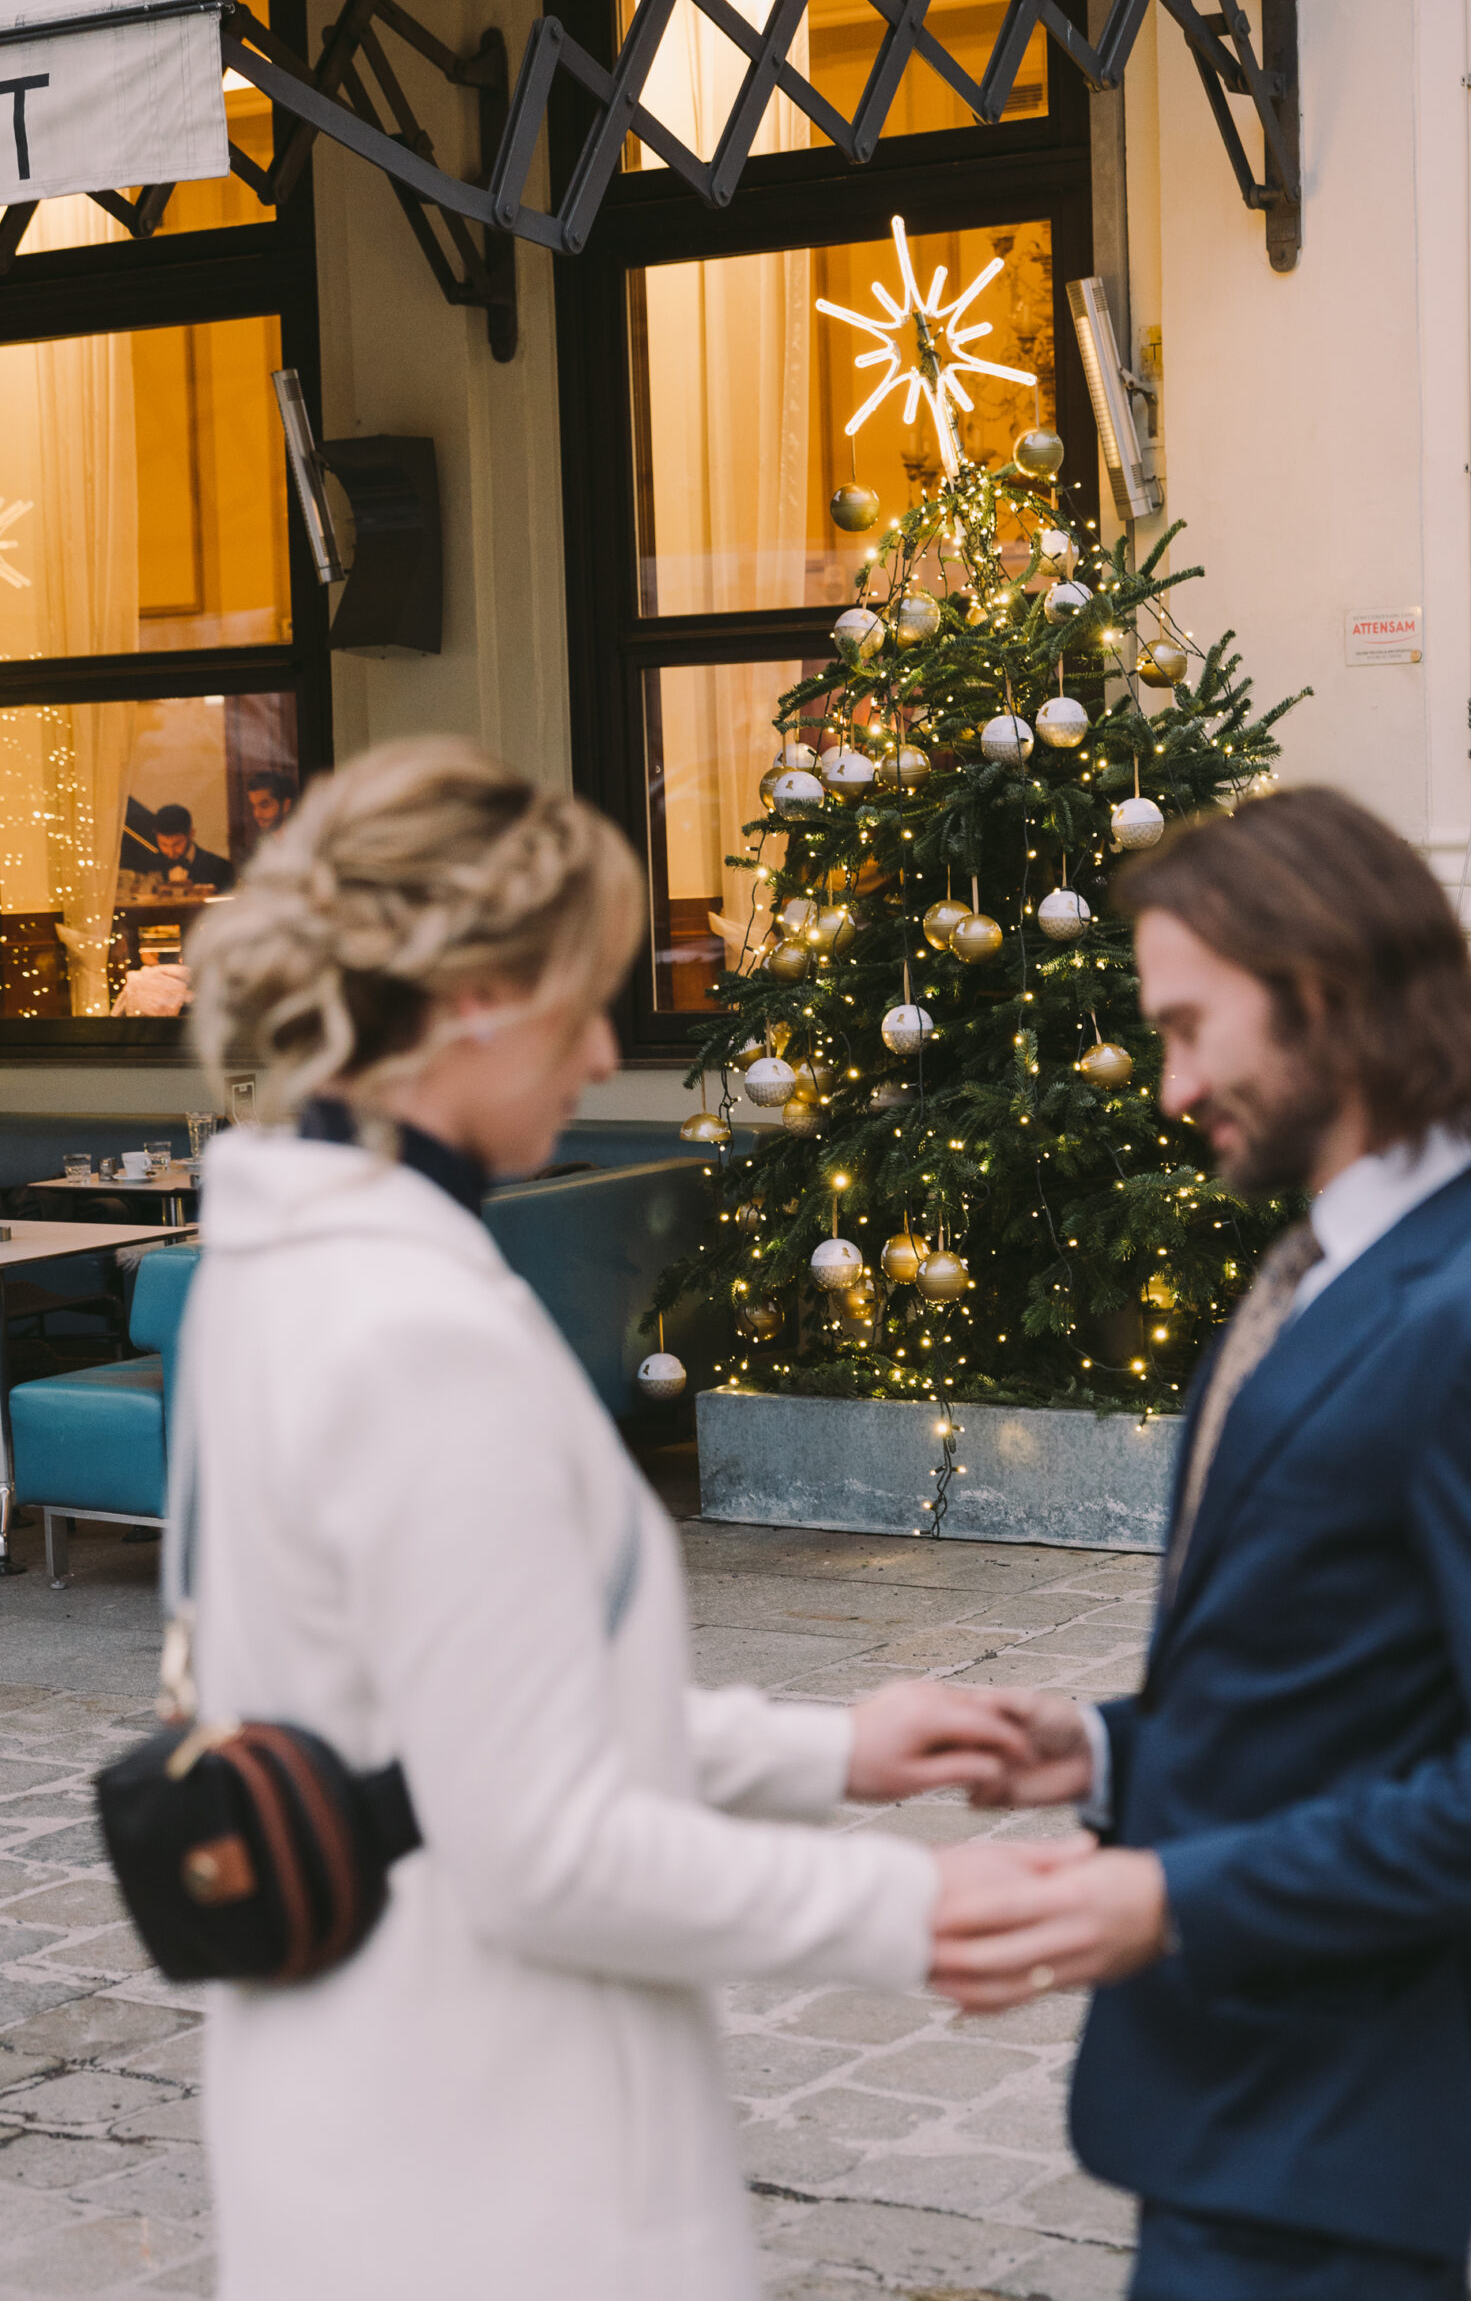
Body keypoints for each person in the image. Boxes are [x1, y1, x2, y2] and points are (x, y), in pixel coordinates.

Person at [182, 737, 1081, 2301]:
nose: (602, 1050)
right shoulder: (417, 1333)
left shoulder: (270, 1271)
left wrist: (829, 1753)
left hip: (351, 2110)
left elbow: (454, 1721)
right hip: (494, 2162)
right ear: (475, 999)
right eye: (585, 997)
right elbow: (543, 1848)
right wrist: (911, 1902)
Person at [930, 786, 1471, 2301]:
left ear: (1320, 995)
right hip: (1234, 2124)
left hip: (1332, 2152)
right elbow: (1330, 1686)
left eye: (1192, 1028)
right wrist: (1105, 1755)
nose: (1173, 1085)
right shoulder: (1324, 1261)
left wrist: (1174, 1896)